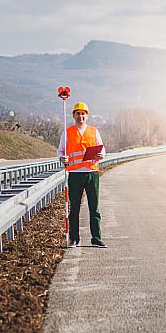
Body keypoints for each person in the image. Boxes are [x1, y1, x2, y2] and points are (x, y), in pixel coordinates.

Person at [58, 101, 107, 248]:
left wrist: (100, 156)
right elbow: (60, 151)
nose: (81, 116)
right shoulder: (67, 132)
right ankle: (74, 238)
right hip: (74, 174)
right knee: (74, 208)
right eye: (78, 113)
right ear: (73, 115)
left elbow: (102, 150)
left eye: (83, 113)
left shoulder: (94, 131)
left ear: (87, 116)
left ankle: (96, 238)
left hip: (92, 173)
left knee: (94, 207)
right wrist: (62, 158)